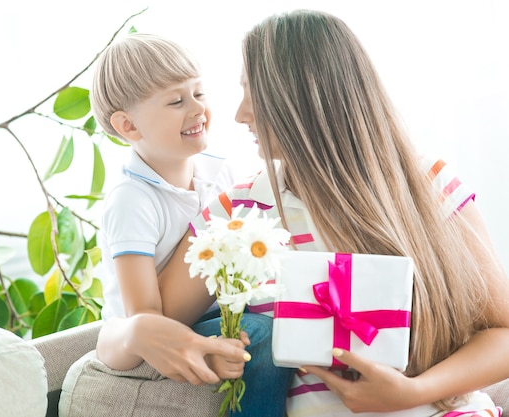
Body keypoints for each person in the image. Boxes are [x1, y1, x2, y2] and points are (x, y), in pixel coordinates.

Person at [157, 8, 509, 417]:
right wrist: (161, 340)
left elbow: (501, 333)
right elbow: (152, 322)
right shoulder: (237, 213)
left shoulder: (428, 186)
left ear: (303, 99)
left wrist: (412, 392)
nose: (240, 114)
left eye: (254, 91)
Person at [91, 33, 292, 415]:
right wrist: (203, 347)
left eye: (199, 94)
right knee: (259, 335)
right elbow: (145, 316)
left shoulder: (220, 171)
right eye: (176, 101)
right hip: (153, 337)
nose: (197, 109)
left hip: (214, 310)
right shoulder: (131, 199)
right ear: (129, 126)